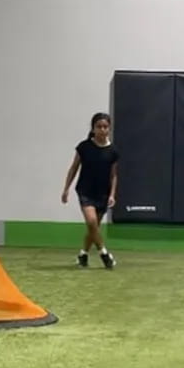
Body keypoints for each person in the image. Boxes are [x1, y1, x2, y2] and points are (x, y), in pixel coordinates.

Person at [61, 112, 118, 269]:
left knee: (94, 229)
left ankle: (83, 254)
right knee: (92, 222)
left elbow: (114, 176)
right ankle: (104, 254)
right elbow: (73, 168)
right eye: (99, 126)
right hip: (85, 191)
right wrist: (66, 188)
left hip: (103, 194)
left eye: (105, 127)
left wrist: (112, 195)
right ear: (93, 129)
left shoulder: (113, 151)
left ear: (109, 129)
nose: (102, 129)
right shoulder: (84, 147)